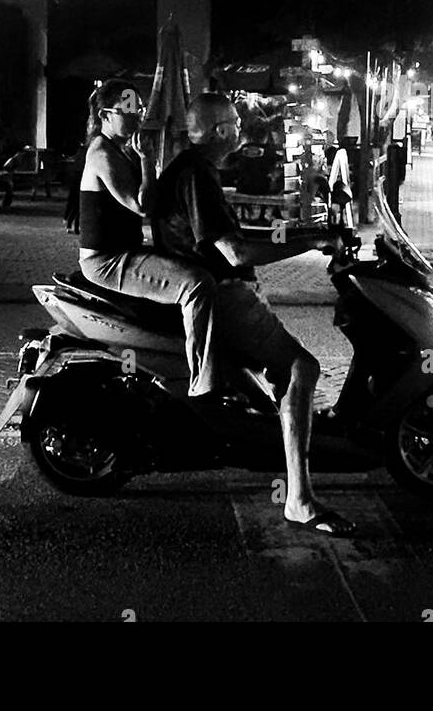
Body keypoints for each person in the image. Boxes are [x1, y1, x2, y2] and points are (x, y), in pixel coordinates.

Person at [150, 92, 356, 537]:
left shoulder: (193, 170)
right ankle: (299, 498)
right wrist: (311, 243)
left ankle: (279, 445)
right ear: (222, 131)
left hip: (225, 289)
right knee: (302, 367)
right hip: (224, 295)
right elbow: (234, 250)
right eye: (236, 124)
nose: (242, 131)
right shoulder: (196, 176)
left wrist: (306, 231)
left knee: (286, 374)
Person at [77, 79, 228, 419]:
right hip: (107, 260)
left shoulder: (120, 148)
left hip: (127, 251)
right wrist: (147, 161)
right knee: (197, 284)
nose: (137, 118)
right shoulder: (102, 153)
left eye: (140, 110)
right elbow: (141, 205)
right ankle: (205, 385)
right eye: (128, 111)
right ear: (105, 115)